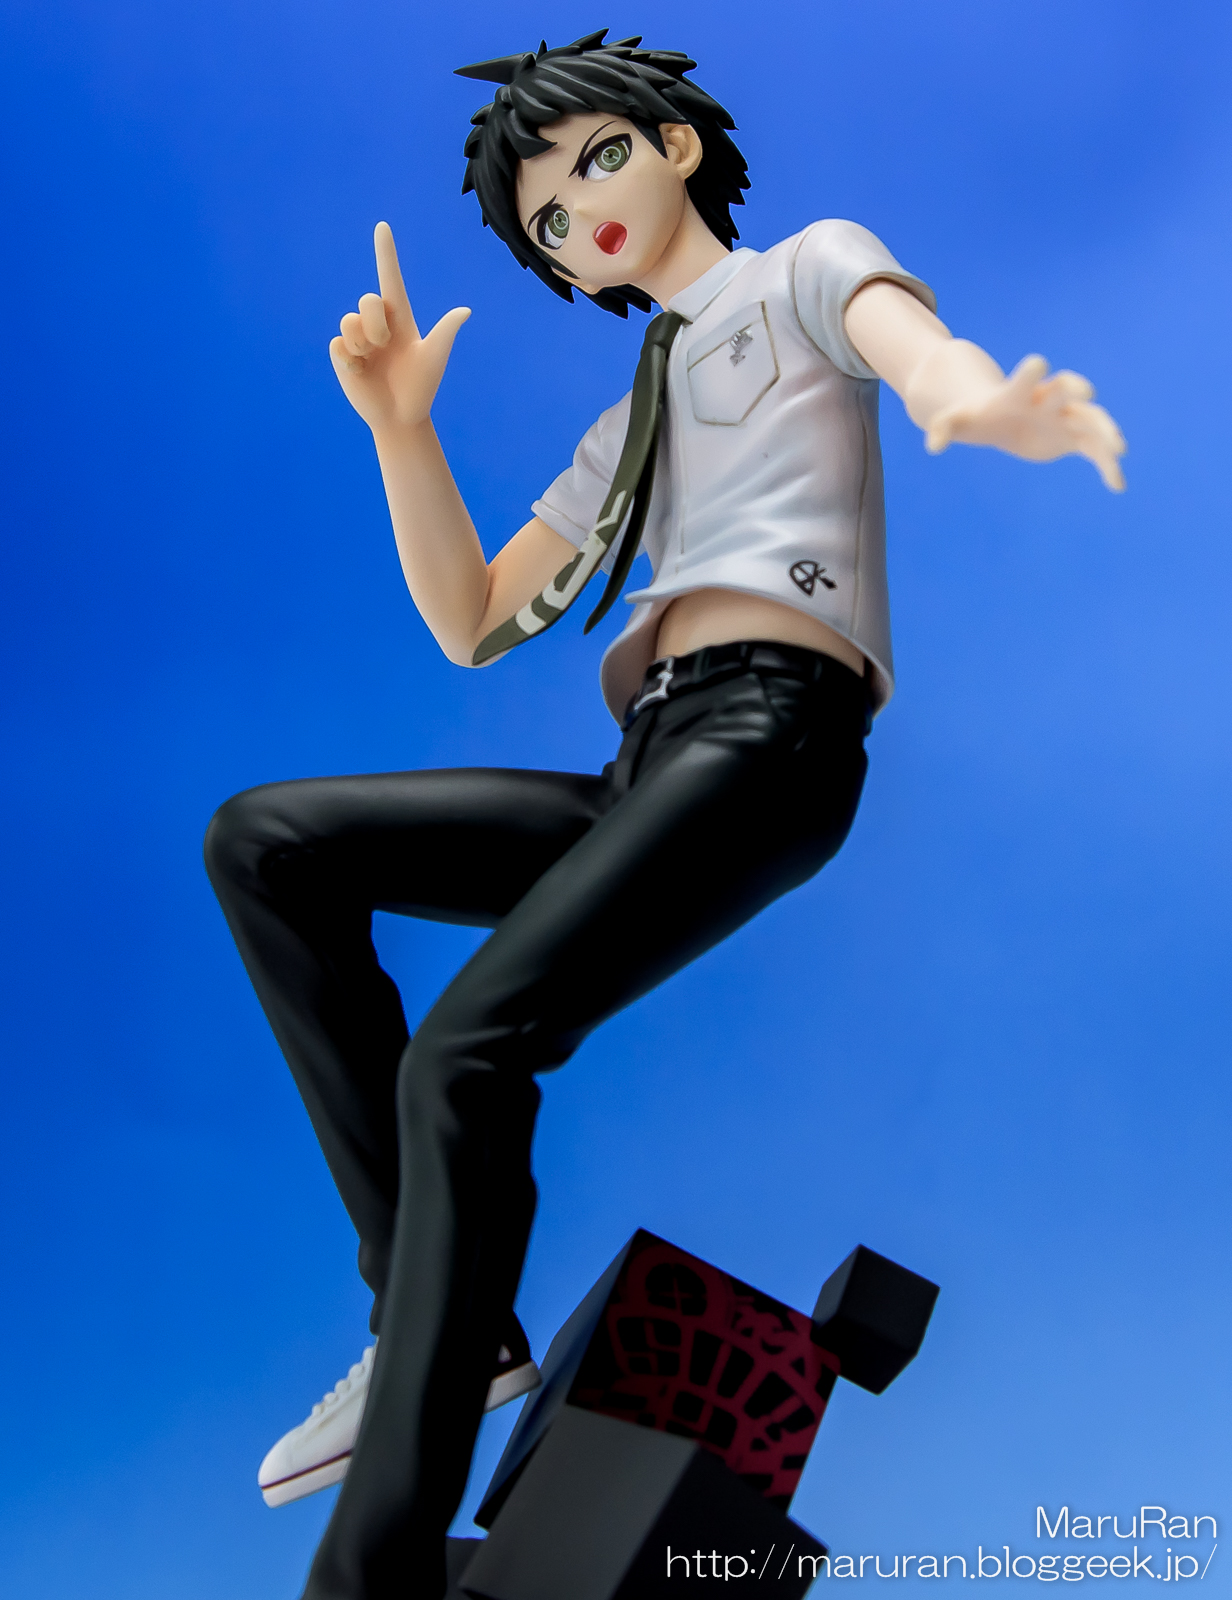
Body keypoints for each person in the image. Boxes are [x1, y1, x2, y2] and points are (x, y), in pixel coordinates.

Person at [204, 31, 1125, 1600]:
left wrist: (980, 404)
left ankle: (372, 1566)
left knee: (466, 1055)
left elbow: (908, 347)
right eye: (550, 220)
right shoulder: (625, 421)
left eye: (597, 161)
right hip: (655, 754)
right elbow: (475, 618)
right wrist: (401, 431)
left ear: (676, 143)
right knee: (266, 843)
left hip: (771, 732)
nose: (584, 214)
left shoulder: (801, 272)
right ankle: (435, 1312)